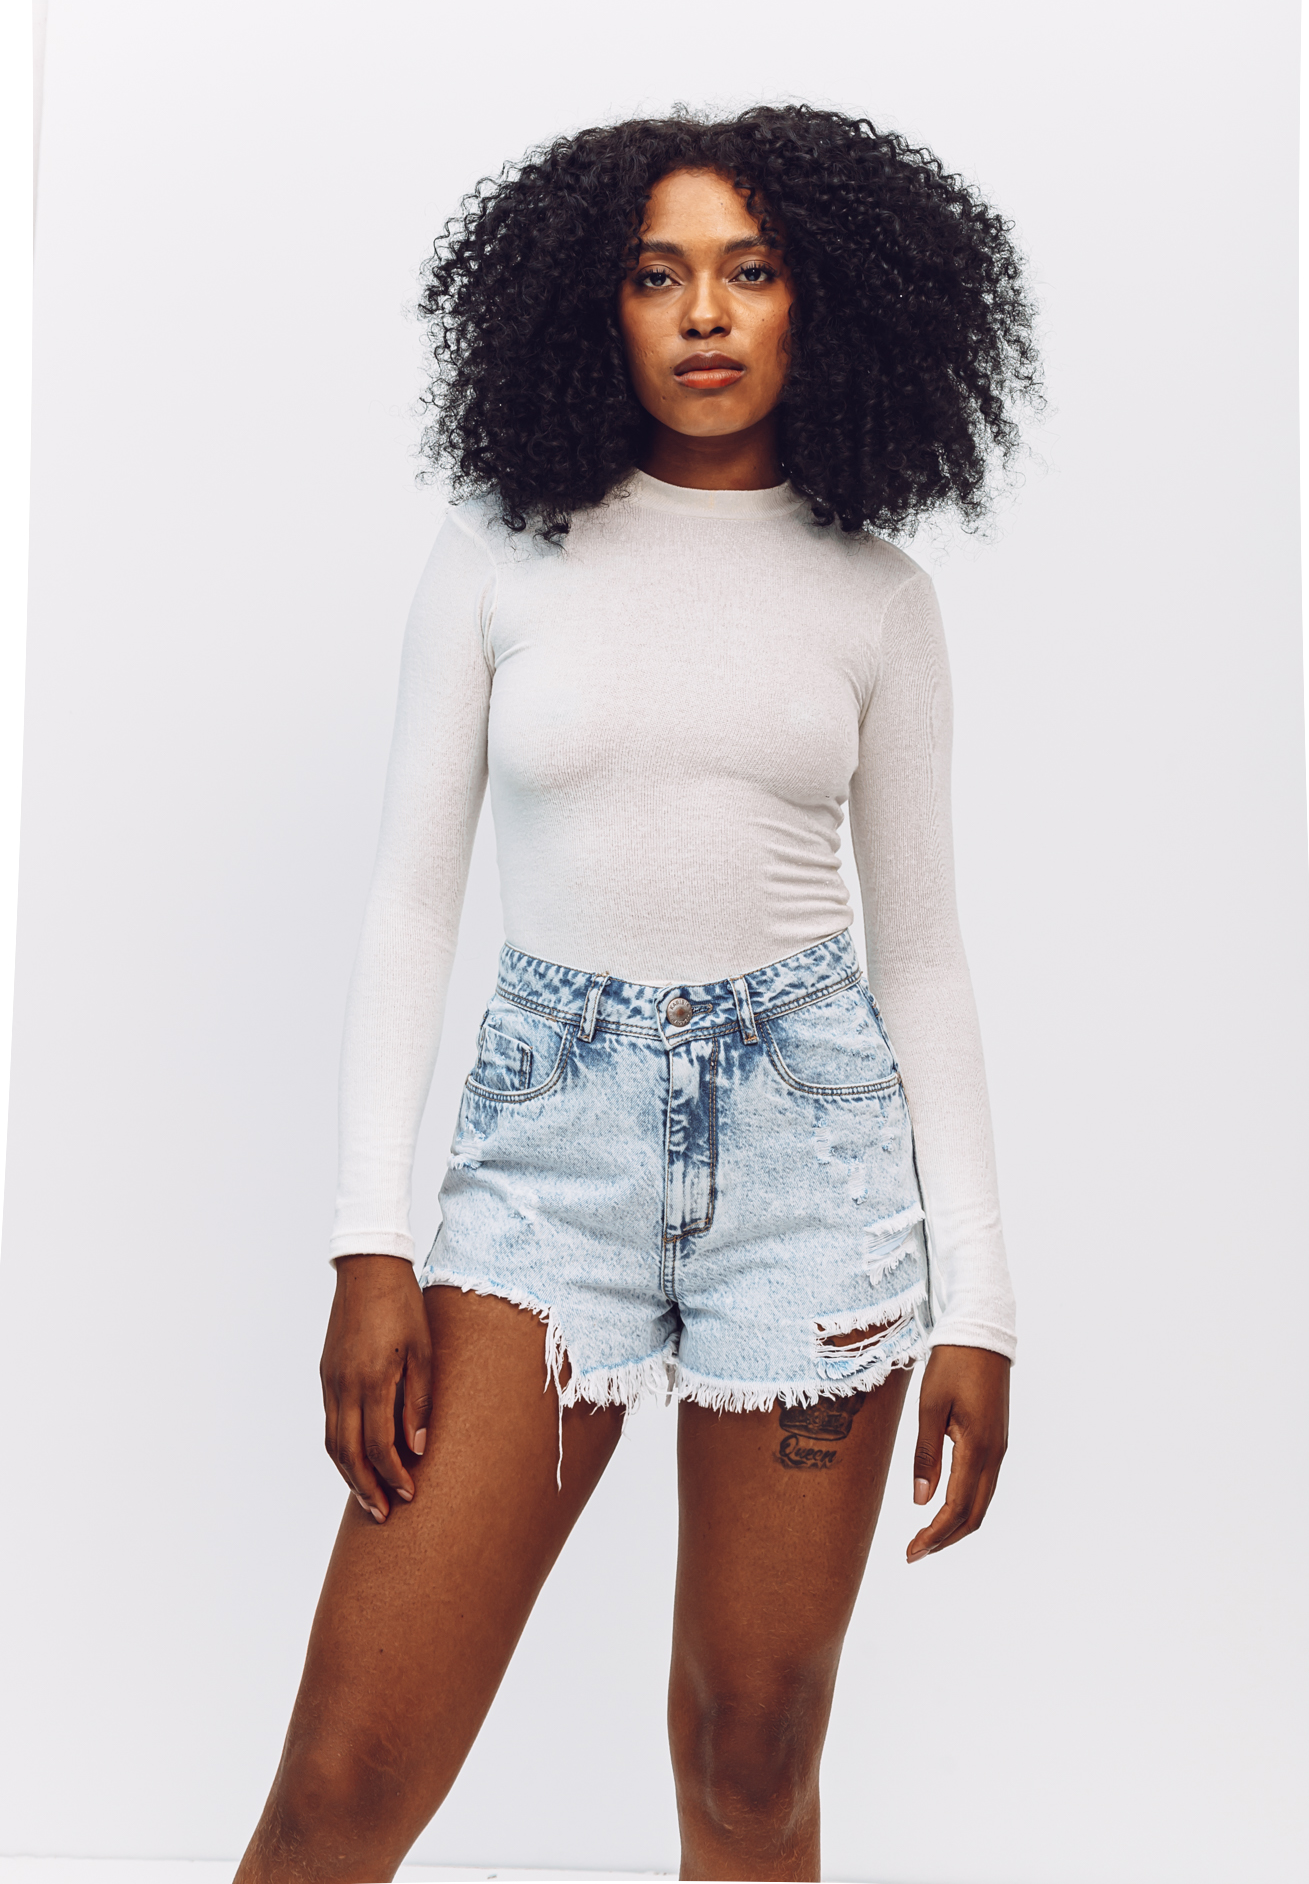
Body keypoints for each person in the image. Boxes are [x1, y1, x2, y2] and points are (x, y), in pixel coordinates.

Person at [237, 104, 1037, 1884]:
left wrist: (979, 1304)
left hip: (816, 1179)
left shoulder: (877, 599)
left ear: (821, 304)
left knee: (751, 1764)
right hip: (546, 1171)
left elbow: (920, 956)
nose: (703, 314)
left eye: (749, 272)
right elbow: (409, 903)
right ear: (586, 308)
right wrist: (371, 1246)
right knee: (347, 1776)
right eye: (655, 274)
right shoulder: (501, 554)